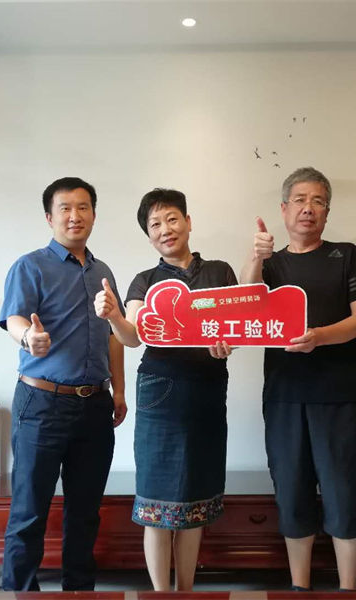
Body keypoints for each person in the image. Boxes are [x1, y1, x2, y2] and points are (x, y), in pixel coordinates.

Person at [240, 167, 356, 591]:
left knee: (343, 490)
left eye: (318, 201)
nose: (308, 209)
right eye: (299, 200)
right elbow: (246, 307)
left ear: (327, 212)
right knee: (292, 491)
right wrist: (256, 256)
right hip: (284, 396)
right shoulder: (272, 263)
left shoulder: (346, 255)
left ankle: (347, 588)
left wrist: (319, 337)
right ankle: (300, 587)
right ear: (284, 209)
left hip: (339, 396)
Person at [94, 188, 235, 591]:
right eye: (155, 224)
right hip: (161, 392)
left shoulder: (220, 272)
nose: (165, 229)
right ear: (148, 235)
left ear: (188, 222)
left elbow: (237, 326)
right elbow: (133, 336)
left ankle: (185, 591)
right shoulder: (146, 280)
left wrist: (229, 343)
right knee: (156, 501)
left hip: (208, 392)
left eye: (172, 219)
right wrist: (114, 317)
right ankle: (160, 594)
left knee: (195, 498)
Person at [0, 176, 126, 591]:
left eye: (83, 207)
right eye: (65, 208)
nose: (75, 216)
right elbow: (15, 318)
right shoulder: (30, 265)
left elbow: (115, 335)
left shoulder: (103, 272)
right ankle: (20, 593)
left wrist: (120, 390)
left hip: (95, 405)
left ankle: (79, 591)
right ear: (49, 217)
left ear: (94, 215)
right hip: (42, 402)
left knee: (85, 512)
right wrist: (28, 338)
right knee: (29, 511)